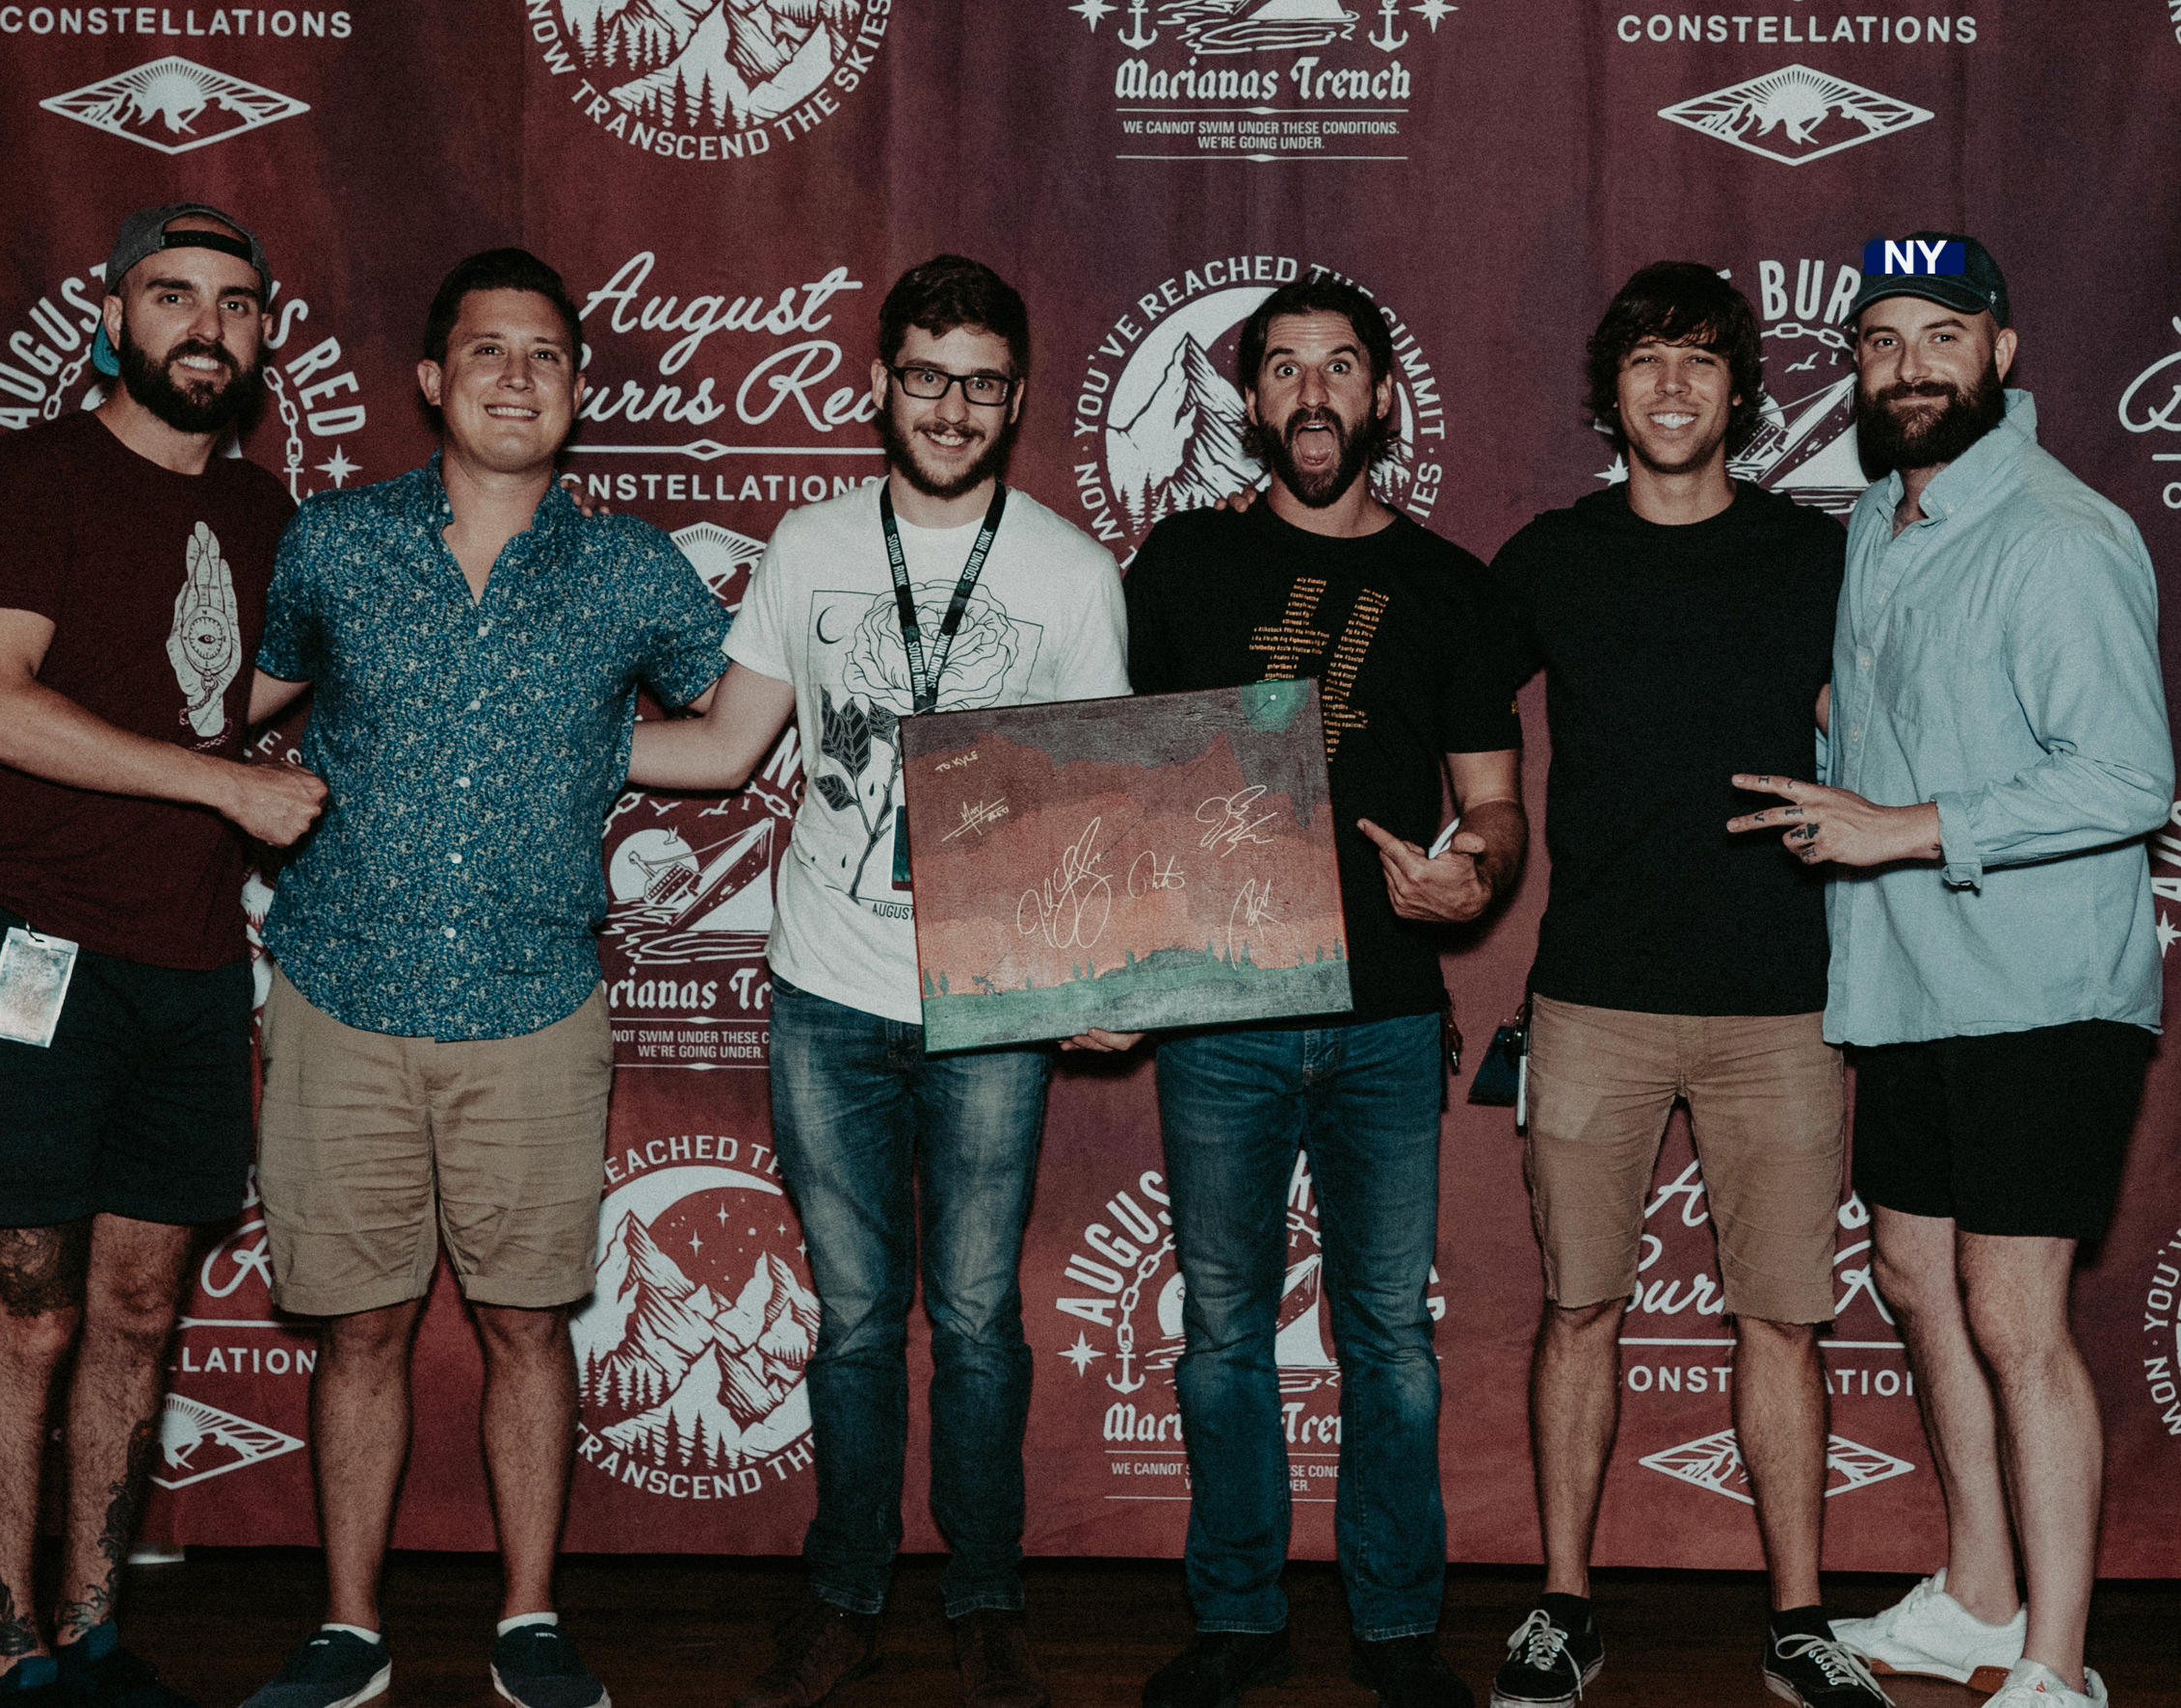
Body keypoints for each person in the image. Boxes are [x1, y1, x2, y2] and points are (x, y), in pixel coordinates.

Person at [622, 253, 1131, 1708]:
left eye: (981, 382)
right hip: (829, 990)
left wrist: (1100, 973)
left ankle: (984, 1594)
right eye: (926, 375)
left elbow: (1093, 810)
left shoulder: (1070, 572)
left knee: (975, 1316)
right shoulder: (810, 543)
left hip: (990, 998)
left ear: (1018, 399)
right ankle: (844, 1589)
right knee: (853, 1320)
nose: (952, 405)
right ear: (880, 384)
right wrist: (553, 752)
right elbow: (725, 749)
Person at [234, 248, 730, 1708]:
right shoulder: (330, 542)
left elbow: (737, 722)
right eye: (490, 349)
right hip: (338, 993)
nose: (520, 375)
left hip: (531, 1007)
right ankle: (348, 1627)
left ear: (577, 389)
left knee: (527, 1323)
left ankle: (527, 1620)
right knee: (362, 1328)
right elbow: (225, 701)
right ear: (432, 379)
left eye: (549, 354)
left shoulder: (634, 564)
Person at [1731, 232, 2171, 1708]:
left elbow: (2127, 775)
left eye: (1939, 336)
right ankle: (1982, 1598)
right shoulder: (1877, 521)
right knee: (1917, 1275)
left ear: (2003, 350)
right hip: (1911, 983)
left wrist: (1902, 821)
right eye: (1877, 342)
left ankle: (2058, 1662)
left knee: (2012, 1310)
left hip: (2044, 989)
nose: (1906, 367)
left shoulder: (2062, 533)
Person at [0, 202, 328, 1707]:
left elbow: (261, 687)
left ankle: (90, 1627)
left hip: (193, 969)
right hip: (22, 955)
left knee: (145, 1309)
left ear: (264, 333)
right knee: (29, 1313)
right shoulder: (35, 476)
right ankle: (13, 1655)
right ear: (115, 314)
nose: (203, 325)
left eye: (232, 302)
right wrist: (223, 780)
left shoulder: (271, 516)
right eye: (173, 296)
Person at [1119, 276, 1527, 1708]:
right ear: (1247, 402)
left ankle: (1398, 1623)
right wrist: (1108, 968)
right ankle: (1237, 1616)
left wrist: (1468, 877)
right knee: (1224, 1327)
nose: (1310, 393)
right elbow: (1120, 794)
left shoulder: (1452, 589)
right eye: (1282, 367)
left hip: (1391, 1020)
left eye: (1339, 367)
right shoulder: (1177, 569)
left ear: (1382, 399)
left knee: (1391, 1340)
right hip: (1218, 1021)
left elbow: (1495, 808)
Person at [1485, 263, 1889, 1708]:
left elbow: (1908, 698)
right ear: (1613, 392)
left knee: (1782, 1317)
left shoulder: (1813, 554)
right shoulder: (1549, 557)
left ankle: (1798, 1617)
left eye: (1703, 361)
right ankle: (1561, 1604)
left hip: (1781, 997)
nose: (1672, 385)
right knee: (1578, 1307)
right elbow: (1427, 675)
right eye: (1648, 360)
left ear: (1739, 391)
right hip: (1591, 996)